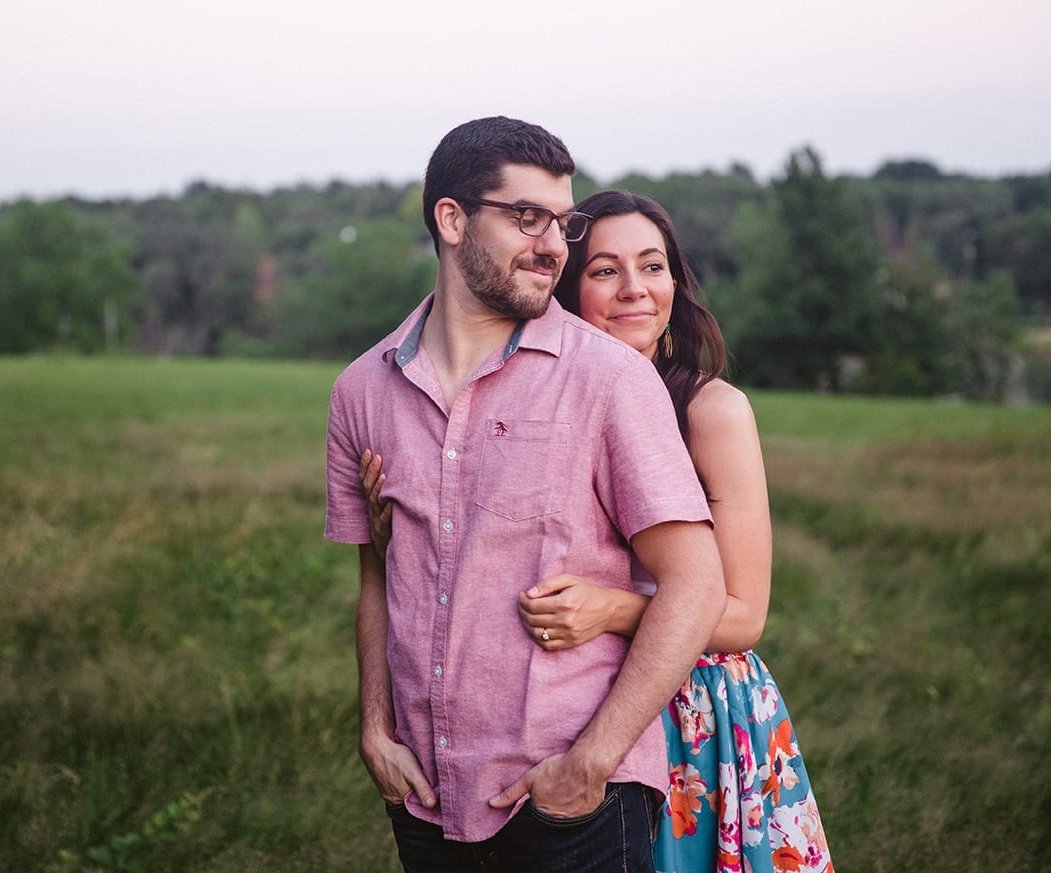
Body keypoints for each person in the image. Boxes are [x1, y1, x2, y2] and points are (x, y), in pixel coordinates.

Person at [363, 190, 834, 872]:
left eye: (652, 266)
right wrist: (396, 536)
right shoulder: (540, 397)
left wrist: (613, 609)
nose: (634, 290)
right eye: (605, 271)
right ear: (565, 285)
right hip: (580, 705)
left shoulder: (710, 410)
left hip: (693, 711)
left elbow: (743, 616)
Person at [325, 118, 726, 873]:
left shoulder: (608, 379)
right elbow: (378, 574)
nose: (553, 243)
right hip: (424, 795)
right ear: (451, 219)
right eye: (525, 217)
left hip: (572, 801)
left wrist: (590, 763)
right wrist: (374, 729)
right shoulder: (361, 391)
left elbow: (697, 584)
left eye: (561, 221)